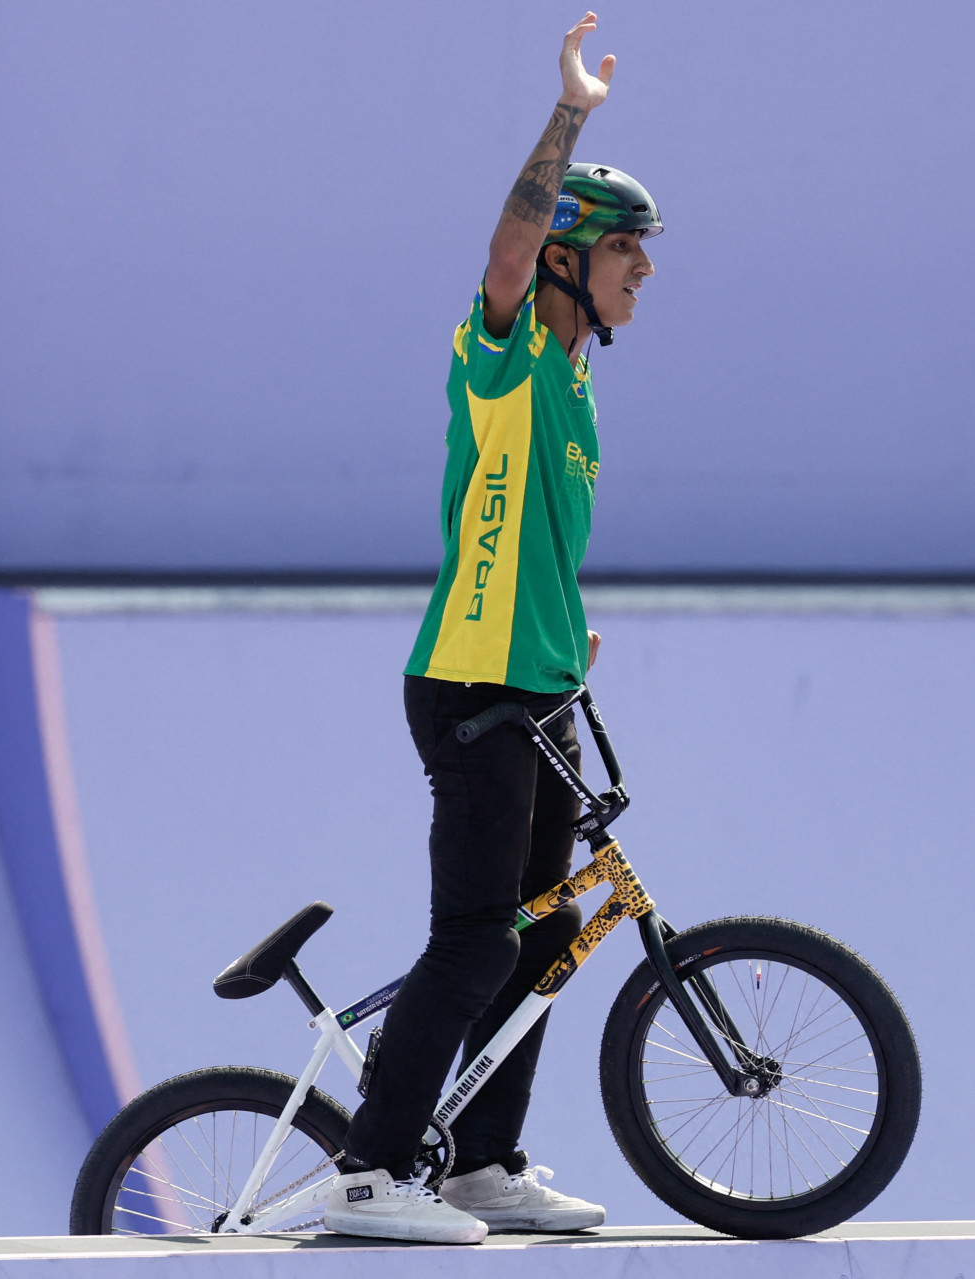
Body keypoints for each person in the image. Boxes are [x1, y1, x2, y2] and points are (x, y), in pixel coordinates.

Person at [322, 11, 660, 1245]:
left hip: (536, 686)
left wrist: (572, 651)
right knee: (472, 938)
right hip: (470, 685)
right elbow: (505, 252)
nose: (647, 270)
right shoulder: (507, 355)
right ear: (570, 255)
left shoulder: (574, 384)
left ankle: (477, 1162)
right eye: (628, 249)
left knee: (552, 926)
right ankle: (366, 1174)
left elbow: (537, 555)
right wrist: (570, 116)